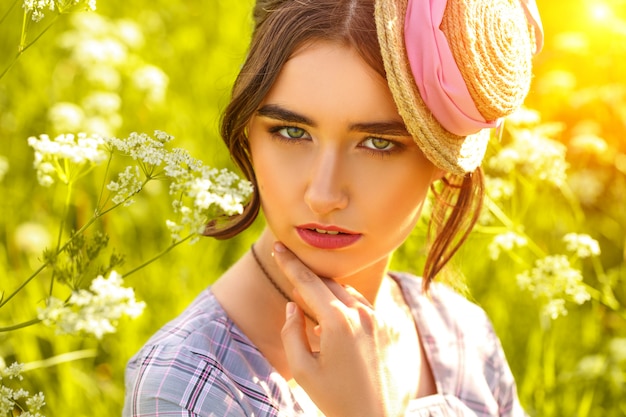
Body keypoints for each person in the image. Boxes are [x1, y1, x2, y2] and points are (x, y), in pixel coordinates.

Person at [123, 0, 544, 415]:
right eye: (291, 131)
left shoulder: (461, 334)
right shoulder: (186, 388)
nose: (323, 195)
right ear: (249, 131)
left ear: (442, 158)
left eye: (378, 143)